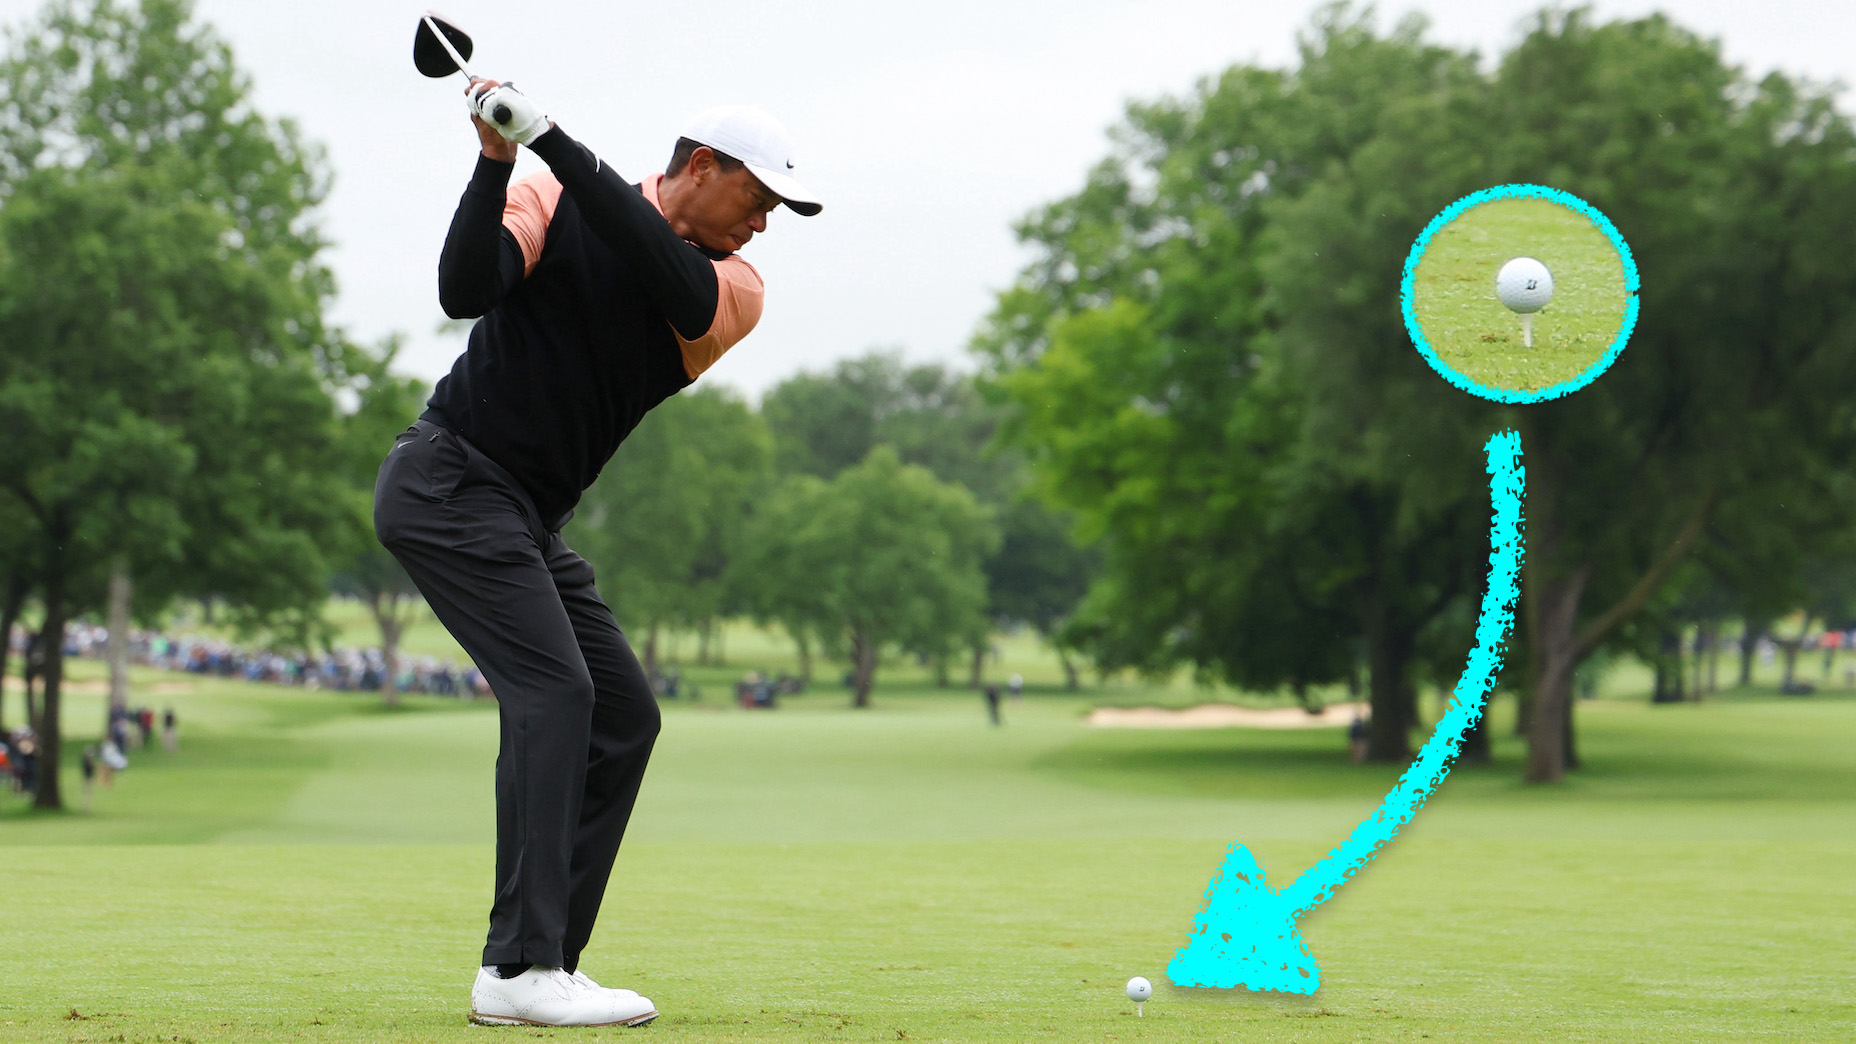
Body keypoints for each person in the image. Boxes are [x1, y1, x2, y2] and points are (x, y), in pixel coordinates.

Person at [373, 78, 820, 1030]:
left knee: (623, 713)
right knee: (555, 693)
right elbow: (464, 291)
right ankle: (521, 965)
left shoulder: (735, 288)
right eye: (758, 198)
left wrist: (552, 137)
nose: (764, 224)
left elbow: (667, 275)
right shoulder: (549, 195)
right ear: (704, 166)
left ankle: (544, 963)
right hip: (448, 480)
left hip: (524, 517)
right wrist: (498, 163)